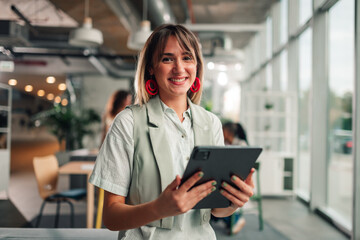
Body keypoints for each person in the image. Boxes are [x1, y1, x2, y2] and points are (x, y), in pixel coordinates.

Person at [89, 24, 255, 239]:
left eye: (187, 58)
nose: (179, 68)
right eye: (167, 59)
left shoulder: (211, 123)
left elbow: (215, 211)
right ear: (151, 67)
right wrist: (159, 208)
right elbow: (111, 217)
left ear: (196, 65)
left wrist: (233, 202)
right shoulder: (128, 122)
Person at [213, 121, 250, 234]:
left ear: (228, 132)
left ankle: (236, 219)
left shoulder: (241, 145)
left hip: (239, 182)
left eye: (223, 130)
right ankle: (231, 220)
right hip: (226, 179)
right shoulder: (225, 144)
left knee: (219, 198)